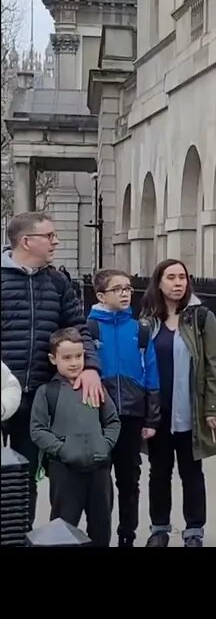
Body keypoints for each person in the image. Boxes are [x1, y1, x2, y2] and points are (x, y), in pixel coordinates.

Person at [1, 211, 105, 512]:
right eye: (49, 236)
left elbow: (78, 328)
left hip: (37, 396)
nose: (55, 241)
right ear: (26, 241)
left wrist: (91, 368)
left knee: (27, 475)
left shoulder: (58, 282)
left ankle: (21, 534)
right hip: (2, 389)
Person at [137, 258, 216, 547]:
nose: (178, 283)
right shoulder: (147, 319)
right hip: (157, 412)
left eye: (183, 277)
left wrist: (213, 407)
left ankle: (194, 531)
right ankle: (159, 528)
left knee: (192, 473)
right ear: (159, 282)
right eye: (171, 277)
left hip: (190, 411)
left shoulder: (200, 317)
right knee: (159, 472)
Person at [87, 268, 161, 547]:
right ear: (101, 295)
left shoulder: (139, 330)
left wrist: (151, 419)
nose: (125, 293)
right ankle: (100, 535)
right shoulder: (90, 328)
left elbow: (152, 375)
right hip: (98, 415)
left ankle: (127, 534)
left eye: (128, 288)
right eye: (118, 289)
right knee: (100, 482)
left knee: (129, 480)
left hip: (131, 415)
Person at [28, 328, 121, 548]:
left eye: (79, 356)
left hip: (99, 471)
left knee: (101, 527)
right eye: (67, 357)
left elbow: (113, 421)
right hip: (65, 472)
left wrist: (104, 445)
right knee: (62, 529)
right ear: (53, 358)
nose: (74, 363)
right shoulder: (47, 392)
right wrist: (62, 449)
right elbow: (37, 429)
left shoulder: (95, 388)